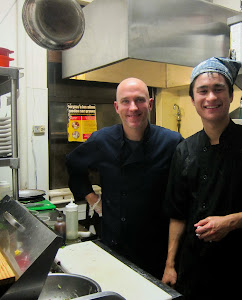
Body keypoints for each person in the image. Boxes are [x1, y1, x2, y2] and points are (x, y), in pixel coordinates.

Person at [162, 57, 242, 299]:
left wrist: (230, 222)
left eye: (218, 89)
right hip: (195, 269)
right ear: (193, 100)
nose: (211, 97)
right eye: (203, 91)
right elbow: (177, 214)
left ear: (231, 96)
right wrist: (170, 265)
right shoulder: (184, 150)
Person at [66, 77, 183, 279]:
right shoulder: (102, 140)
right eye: (125, 101)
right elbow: (73, 165)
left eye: (139, 100)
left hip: (157, 252)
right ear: (116, 107)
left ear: (151, 104)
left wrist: (171, 263)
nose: (133, 108)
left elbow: (182, 200)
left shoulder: (171, 142)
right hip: (114, 246)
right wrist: (94, 201)